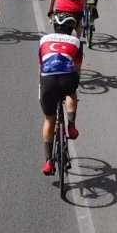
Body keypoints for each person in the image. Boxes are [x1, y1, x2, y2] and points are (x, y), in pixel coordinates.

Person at [39, 19, 83, 175]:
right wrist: (74, 83)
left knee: (49, 119)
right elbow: (77, 68)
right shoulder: (76, 41)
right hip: (67, 78)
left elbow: (42, 65)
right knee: (71, 92)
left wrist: (43, 89)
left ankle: (48, 162)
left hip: (47, 80)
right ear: (71, 29)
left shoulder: (44, 39)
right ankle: (71, 125)